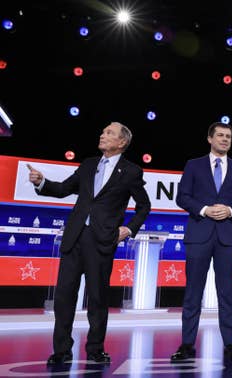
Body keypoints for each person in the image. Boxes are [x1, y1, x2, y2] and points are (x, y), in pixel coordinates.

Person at [28, 121, 151, 365]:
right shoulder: (88, 164)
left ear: (122, 142)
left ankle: (95, 349)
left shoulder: (131, 172)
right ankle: (62, 351)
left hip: (102, 241)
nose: (102, 135)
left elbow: (144, 205)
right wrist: (41, 182)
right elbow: (63, 189)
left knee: (97, 298)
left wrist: (129, 229)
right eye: (103, 131)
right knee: (64, 298)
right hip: (75, 238)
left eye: (109, 133)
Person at [170, 122, 232, 363]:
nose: (225, 139)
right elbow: (182, 197)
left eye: (228, 136)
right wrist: (205, 209)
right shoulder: (193, 165)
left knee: (226, 293)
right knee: (192, 293)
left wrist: (229, 210)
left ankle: (230, 344)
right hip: (199, 235)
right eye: (220, 135)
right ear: (209, 138)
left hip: (227, 236)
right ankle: (187, 344)